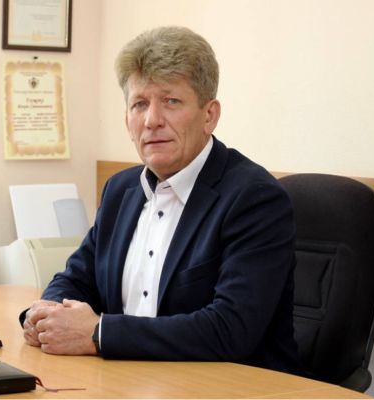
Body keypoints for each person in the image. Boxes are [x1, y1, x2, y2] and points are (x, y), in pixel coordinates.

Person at [20, 26, 300, 374]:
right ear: (127, 120)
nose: (152, 120)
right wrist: (45, 313)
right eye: (140, 104)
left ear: (209, 115)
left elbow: (230, 330)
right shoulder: (120, 190)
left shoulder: (254, 198)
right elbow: (77, 278)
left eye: (171, 101)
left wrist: (98, 333)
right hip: (130, 380)